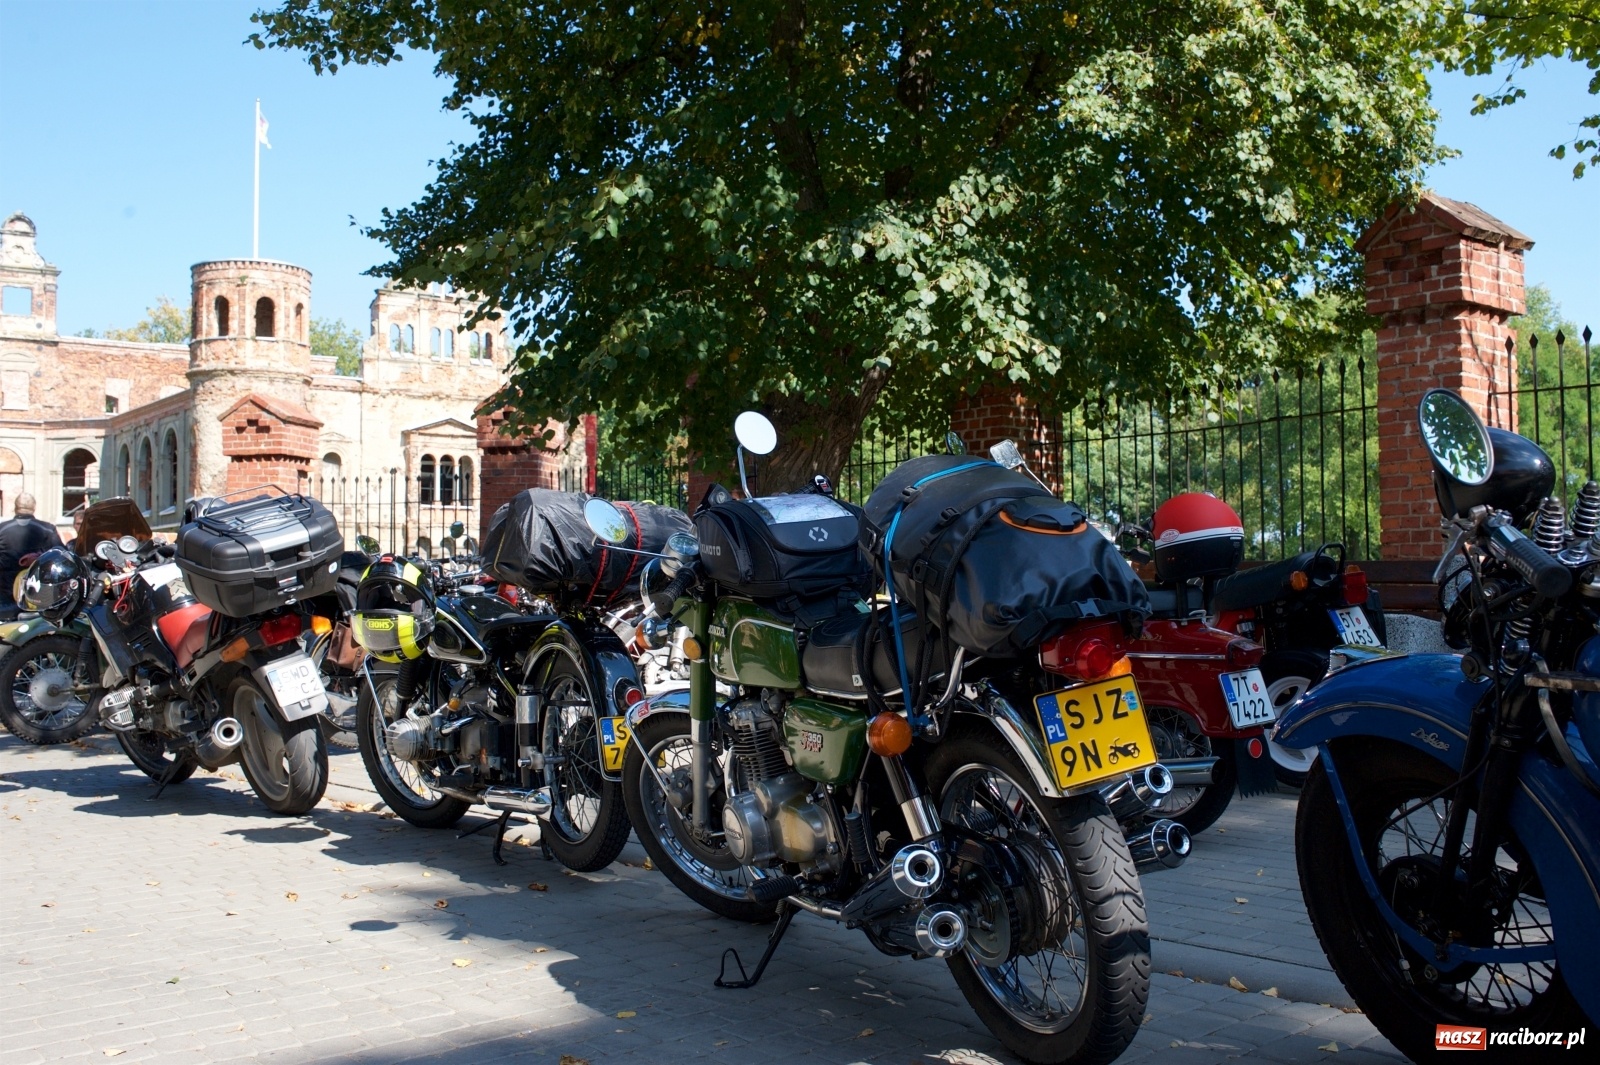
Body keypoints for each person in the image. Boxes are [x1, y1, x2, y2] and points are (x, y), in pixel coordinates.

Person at [0, 493, 64, 619]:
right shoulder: (47, 529)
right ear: (34, 507)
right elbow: (60, 555)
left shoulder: (2, 529)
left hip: (4, 590)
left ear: (16, 507)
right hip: (38, 592)